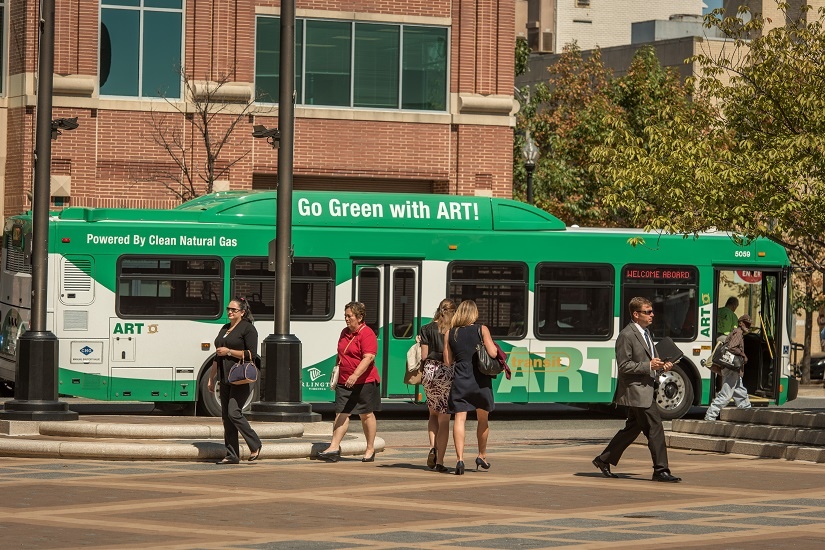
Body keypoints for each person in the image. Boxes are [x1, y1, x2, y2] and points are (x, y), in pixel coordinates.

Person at [592, 297, 681, 482]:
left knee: (632, 429)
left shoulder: (647, 333)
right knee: (655, 428)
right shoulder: (627, 335)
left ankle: (603, 459)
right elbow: (624, 365)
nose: (652, 315)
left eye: (652, 311)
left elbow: (652, 361)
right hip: (636, 392)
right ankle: (661, 470)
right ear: (636, 314)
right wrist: (648, 366)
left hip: (647, 389)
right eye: (647, 312)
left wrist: (662, 366)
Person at [317, 302, 381, 462]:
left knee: (366, 415)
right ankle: (333, 447)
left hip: (365, 381)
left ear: (359, 317)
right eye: (345, 315)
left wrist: (355, 374)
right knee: (341, 413)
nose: (346, 319)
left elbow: (369, 357)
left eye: (349, 316)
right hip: (344, 381)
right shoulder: (344, 332)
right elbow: (341, 353)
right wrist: (337, 372)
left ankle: (370, 448)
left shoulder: (367, 334)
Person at [443, 300, 498, 475]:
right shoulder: (481, 329)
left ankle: (459, 459)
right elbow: (493, 353)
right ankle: (482, 455)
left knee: (460, 418)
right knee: (483, 419)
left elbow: (447, 361)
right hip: (480, 379)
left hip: (460, 378)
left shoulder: (450, 333)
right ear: (474, 313)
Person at [208, 297, 262, 464]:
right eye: (228, 309)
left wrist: (230, 351)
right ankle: (232, 454)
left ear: (242, 312)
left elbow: (252, 354)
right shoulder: (224, 328)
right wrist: (211, 378)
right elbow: (218, 354)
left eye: (234, 310)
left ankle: (255, 443)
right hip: (224, 378)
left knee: (233, 412)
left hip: (240, 378)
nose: (230, 312)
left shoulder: (248, 329)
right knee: (226, 416)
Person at [419, 299, 456, 473]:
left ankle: (433, 447)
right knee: (444, 418)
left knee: (432, 413)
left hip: (429, 372)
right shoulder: (454, 330)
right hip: (446, 374)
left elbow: (424, 355)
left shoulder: (426, 328)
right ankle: (440, 460)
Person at [705, 314, 753, 421]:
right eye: (746, 323)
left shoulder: (736, 332)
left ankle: (748, 413)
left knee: (740, 392)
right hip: (732, 369)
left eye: (749, 324)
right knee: (726, 395)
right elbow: (732, 347)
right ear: (740, 323)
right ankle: (710, 416)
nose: (747, 326)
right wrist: (743, 355)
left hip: (732, 369)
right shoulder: (738, 333)